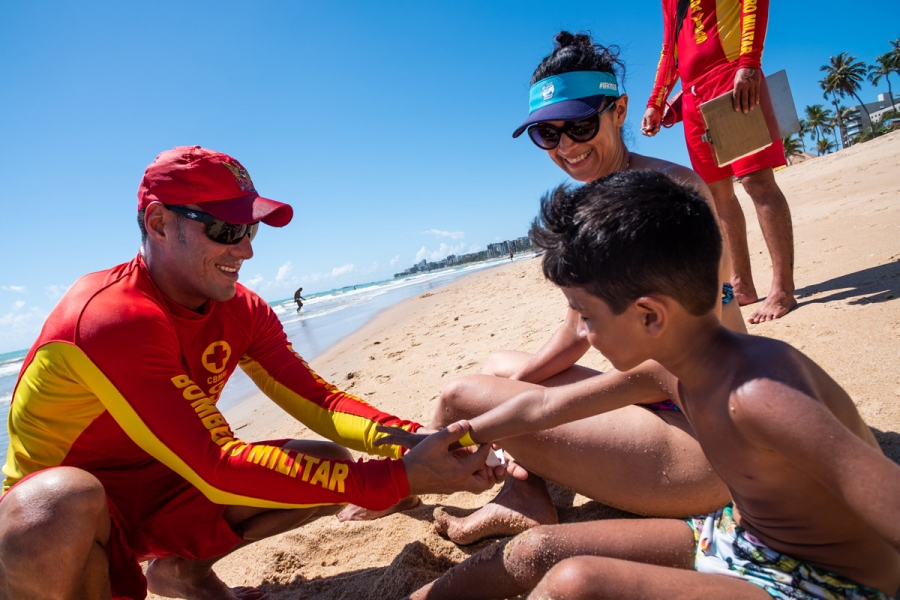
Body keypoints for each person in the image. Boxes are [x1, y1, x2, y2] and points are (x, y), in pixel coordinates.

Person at [0, 146, 503, 600]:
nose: (245, 249)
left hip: (169, 491)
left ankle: (184, 573)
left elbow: (321, 402)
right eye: (224, 230)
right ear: (157, 223)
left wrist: (419, 443)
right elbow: (215, 463)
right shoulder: (111, 316)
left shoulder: (240, 309)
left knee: (325, 460)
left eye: (249, 229)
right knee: (60, 499)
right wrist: (393, 479)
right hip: (72, 529)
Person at [405, 171, 900, 600]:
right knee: (534, 550)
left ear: (649, 315)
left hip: (826, 584)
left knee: (576, 583)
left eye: (586, 316)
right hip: (741, 538)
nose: (582, 332)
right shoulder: (672, 365)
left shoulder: (760, 394)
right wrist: (455, 439)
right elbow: (540, 408)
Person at [416, 31, 744, 546]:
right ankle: (525, 493)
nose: (567, 146)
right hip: (675, 407)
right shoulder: (602, 201)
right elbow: (577, 330)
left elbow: (684, 353)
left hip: (708, 445)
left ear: (619, 111)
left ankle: (403, 487)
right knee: (503, 368)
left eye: (581, 126)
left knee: (461, 396)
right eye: (548, 135)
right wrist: (516, 394)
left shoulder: (666, 199)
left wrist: (517, 412)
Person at [641, 0, 797, 324]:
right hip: (693, 94)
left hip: (732, 76)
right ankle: (742, 285)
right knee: (716, 194)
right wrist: (656, 101)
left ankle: (782, 289)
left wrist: (750, 62)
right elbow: (669, 49)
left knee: (756, 181)